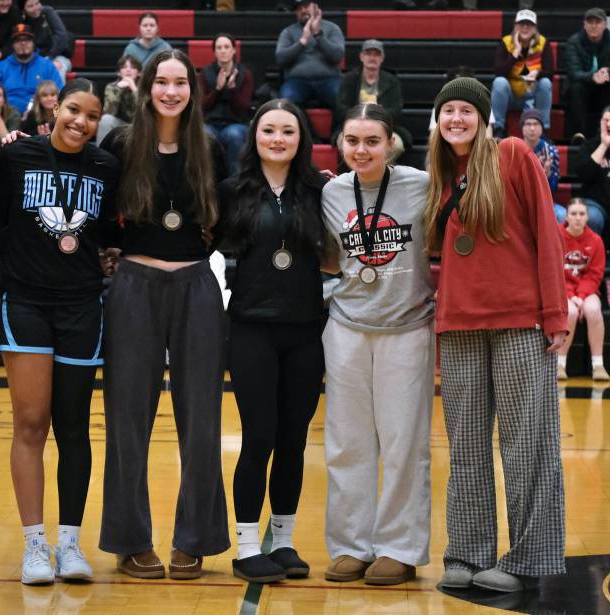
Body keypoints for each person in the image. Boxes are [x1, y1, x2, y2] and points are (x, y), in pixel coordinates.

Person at [427, 77, 567, 593]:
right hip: (459, 326)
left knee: (527, 446)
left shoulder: (512, 154)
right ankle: (466, 553)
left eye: (466, 110)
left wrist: (556, 314)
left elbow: (548, 235)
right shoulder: (437, 176)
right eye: (448, 111)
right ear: (437, 121)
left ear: (483, 117)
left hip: (519, 323)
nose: (456, 118)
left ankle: (528, 558)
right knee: (465, 448)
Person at [99, 49, 229, 582]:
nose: (171, 91)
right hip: (135, 284)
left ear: (192, 91)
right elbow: (97, 209)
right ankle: (130, 540)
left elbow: (224, 218)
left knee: (201, 420)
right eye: (162, 81)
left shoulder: (210, 147)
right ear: (146, 88)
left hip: (196, 285)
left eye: (180, 82)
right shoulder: (121, 144)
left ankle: (194, 539)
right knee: (128, 419)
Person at [0, 79, 120, 585]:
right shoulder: (17, 156)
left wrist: (109, 254)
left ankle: (70, 543)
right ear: (54, 107)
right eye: (73, 110)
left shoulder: (106, 166)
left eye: (92, 115)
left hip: (82, 305)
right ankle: (35, 545)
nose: (81, 122)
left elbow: (110, 232)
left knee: (74, 426)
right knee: (31, 422)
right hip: (26, 302)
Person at [319, 103, 434, 586]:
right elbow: (328, 258)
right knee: (347, 443)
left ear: (391, 144)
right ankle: (351, 544)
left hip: (408, 327)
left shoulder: (421, 185)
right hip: (347, 326)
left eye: (372, 141)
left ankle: (399, 548)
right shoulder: (331, 192)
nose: (361, 150)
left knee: (404, 444)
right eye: (352, 141)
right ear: (340, 144)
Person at [215, 99, 325, 584]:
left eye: (288, 131)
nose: (278, 139)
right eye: (269, 130)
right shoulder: (231, 191)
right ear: (254, 136)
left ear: (301, 139)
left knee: (293, 439)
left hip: (305, 331)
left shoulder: (319, 191)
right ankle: (245, 546)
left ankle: (282, 541)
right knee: (258, 436)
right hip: (251, 329)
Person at [334, 39, 411, 162]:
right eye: (368, 54)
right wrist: (360, 113)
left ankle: (375, 173)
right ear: (361, 57)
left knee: (397, 146)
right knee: (343, 142)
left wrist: (377, 113)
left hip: (383, 128)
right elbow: (340, 108)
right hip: (353, 127)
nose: (372, 58)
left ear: (382, 58)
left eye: (376, 54)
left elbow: (396, 109)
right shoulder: (349, 79)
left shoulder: (392, 81)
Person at [558, 198, 608, 381]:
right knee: (570, 312)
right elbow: (554, 271)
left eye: (581, 214)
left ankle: (598, 365)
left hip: (586, 290)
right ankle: (560, 364)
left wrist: (581, 295)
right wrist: (571, 295)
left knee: (593, 310)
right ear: (566, 217)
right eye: (573, 214)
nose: (578, 218)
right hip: (562, 289)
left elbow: (595, 274)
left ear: (587, 217)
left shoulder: (596, 241)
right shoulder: (556, 236)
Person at [491, 10, 553, 140]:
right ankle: (498, 128)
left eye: (529, 24)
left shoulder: (543, 43)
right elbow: (499, 72)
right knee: (499, 82)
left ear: (535, 28)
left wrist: (538, 74)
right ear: (515, 26)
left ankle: (543, 129)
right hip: (511, 96)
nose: (525, 28)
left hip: (532, 94)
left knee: (545, 83)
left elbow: (550, 72)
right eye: (521, 24)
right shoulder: (506, 42)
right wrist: (515, 54)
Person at [275, 0, 344, 110]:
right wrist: (302, 41)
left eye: (306, 6)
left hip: (329, 80)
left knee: (342, 98)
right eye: (299, 9)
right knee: (287, 100)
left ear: (316, 7)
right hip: (297, 82)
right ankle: (305, 122)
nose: (303, 10)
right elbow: (280, 59)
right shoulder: (288, 32)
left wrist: (318, 34)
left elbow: (337, 56)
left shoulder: (332, 28)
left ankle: (341, 123)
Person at [201, 33, 253, 175]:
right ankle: (207, 180)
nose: (223, 51)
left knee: (234, 135)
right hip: (210, 122)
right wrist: (217, 89)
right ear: (214, 52)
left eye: (226, 47)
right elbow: (201, 106)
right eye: (219, 47)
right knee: (204, 134)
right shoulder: (205, 73)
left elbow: (243, 108)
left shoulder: (245, 74)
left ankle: (235, 181)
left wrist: (232, 90)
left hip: (236, 122)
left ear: (233, 50)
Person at [0, 24, 64, 115]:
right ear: (12, 45)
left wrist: (52, 116)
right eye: (18, 40)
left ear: (33, 43)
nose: (23, 43)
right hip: (8, 115)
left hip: (40, 114)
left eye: (27, 39)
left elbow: (59, 93)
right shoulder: (0, 68)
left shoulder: (48, 66)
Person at [563, 8, 610, 141]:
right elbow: (574, 72)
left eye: (597, 22)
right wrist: (593, 77)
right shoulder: (574, 42)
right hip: (582, 86)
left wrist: (607, 72)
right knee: (576, 88)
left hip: (605, 85)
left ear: (605, 24)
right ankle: (579, 135)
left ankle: (606, 133)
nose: (593, 26)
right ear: (584, 24)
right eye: (590, 22)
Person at [571, 107, 610, 235]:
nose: (609, 124)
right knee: (592, 217)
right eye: (606, 120)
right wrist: (604, 145)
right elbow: (583, 174)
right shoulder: (590, 145)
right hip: (596, 203)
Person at [519, 109, 563, 221]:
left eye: (536, 124)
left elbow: (554, 187)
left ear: (542, 128)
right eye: (528, 124)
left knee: (562, 215)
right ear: (522, 128)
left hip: (543, 202)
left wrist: (545, 176)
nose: (532, 128)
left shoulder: (550, 151)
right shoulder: (514, 150)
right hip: (519, 202)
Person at [22, 0, 74, 80]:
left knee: (55, 69)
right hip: (33, 59)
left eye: (37, 3)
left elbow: (61, 35)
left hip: (57, 56)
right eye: (30, 6)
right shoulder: (21, 21)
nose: (36, 8)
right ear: (23, 10)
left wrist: (50, 57)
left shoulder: (47, 12)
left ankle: (58, 89)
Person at [98, 55, 141, 144]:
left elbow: (144, 110)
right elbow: (110, 111)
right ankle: (101, 151)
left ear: (139, 73)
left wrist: (134, 88)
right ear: (119, 73)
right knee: (106, 119)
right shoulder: (112, 87)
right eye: (124, 67)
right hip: (120, 123)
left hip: (140, 124)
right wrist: (118, 90)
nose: (128, 70)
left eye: (133, 67)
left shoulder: (145, 87)